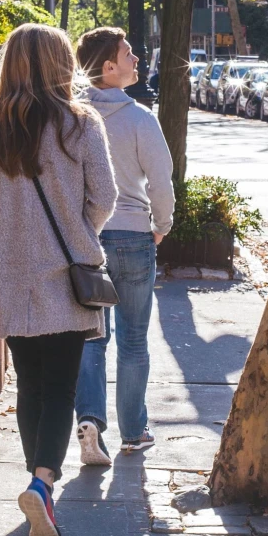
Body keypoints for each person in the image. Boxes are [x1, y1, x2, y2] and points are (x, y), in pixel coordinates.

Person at [0, 24, 118, 536]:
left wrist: (17, 222)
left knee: (31, 384)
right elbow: (105, 196)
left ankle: (38, 484)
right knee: (62, 386)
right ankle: (43, 483)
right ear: (61, 64)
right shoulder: (79, 123)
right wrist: (78, 230)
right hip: (66, 270)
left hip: (9, 272)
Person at [72, 27, 175, 466]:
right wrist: (162, 226)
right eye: (128, 52)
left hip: (87, 235)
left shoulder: (72, 118)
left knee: (92, 338)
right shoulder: (140, 119)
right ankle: (134, 432)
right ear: (109, 67)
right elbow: (162, 181)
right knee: (133, 340)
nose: (136, 58)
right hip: (134, 235)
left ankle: (90, 420)